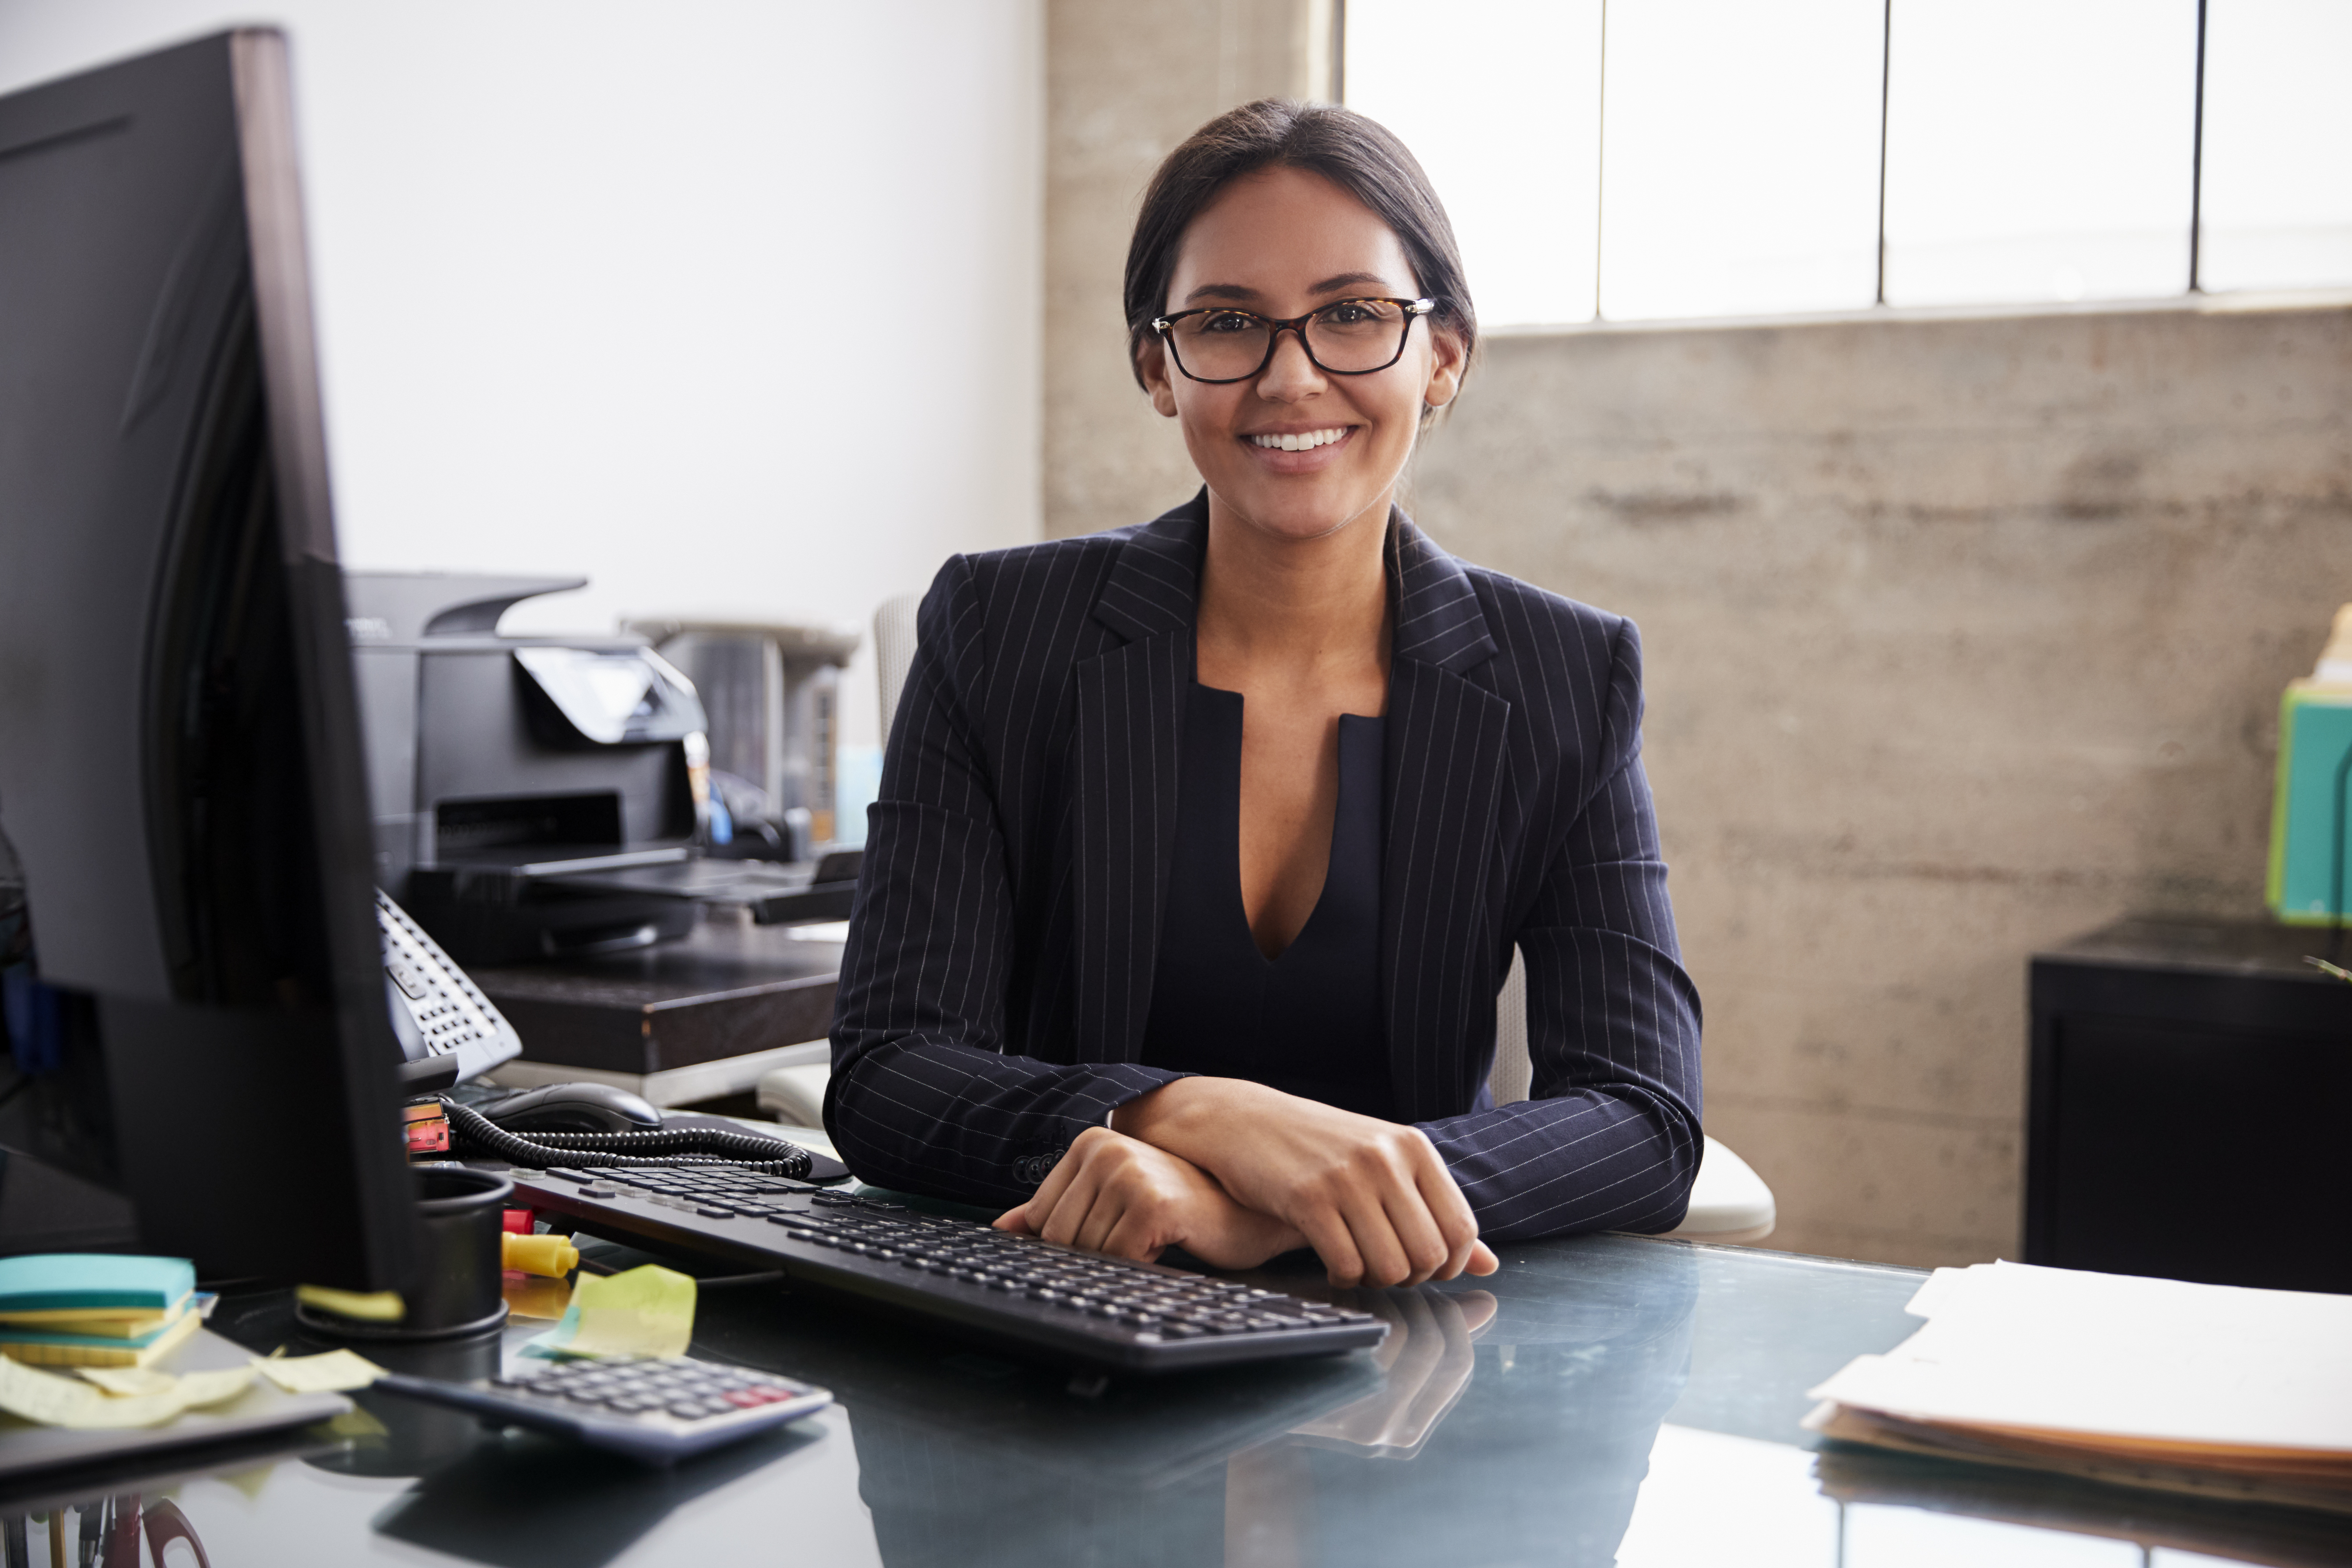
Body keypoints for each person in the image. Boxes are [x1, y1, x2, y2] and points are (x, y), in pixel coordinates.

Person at [825, 99, 1701, 1289]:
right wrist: (1195, 1114)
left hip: (1417, 1364)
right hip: (1058, 1332)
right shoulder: (997, 628)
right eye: (1229, 323)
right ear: (1157, 366)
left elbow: (1643, 1115)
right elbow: (887, 1073)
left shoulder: (1565, 675)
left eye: (1352, 314)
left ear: (1440, 357)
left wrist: (1276, 1212)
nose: (1291, 379)